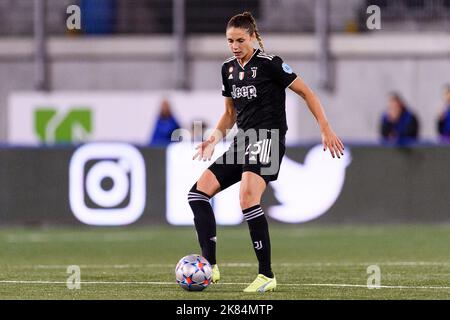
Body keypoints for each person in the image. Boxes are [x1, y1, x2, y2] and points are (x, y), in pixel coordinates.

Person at [188, 12, 344, 293]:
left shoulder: (271, 64)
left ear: (252, 37)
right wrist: (212, 139)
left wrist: (325, 128)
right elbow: (228, 114)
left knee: (247, 197)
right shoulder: (228, 69)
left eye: (239, 40)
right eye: (230, 41)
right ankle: (210, 265)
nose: (234, 46)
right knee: (198, 193)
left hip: (268, 138)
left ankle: (266, 274)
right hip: (243, 140)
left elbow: (307, 93)